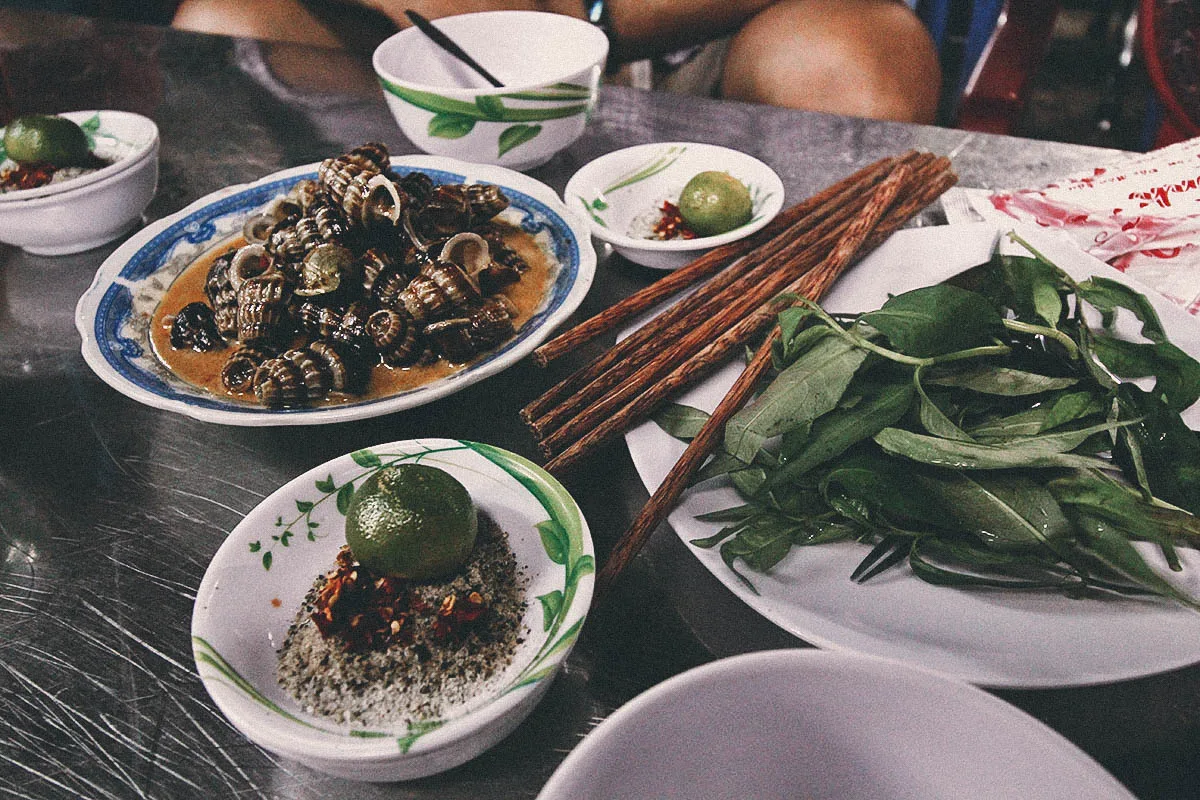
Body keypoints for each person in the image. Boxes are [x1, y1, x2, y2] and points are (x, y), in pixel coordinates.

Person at [170, 0, 941, 124]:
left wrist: (589, 20)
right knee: (214, 25)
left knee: (857, 62)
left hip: (695, 37)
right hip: (389, 40)